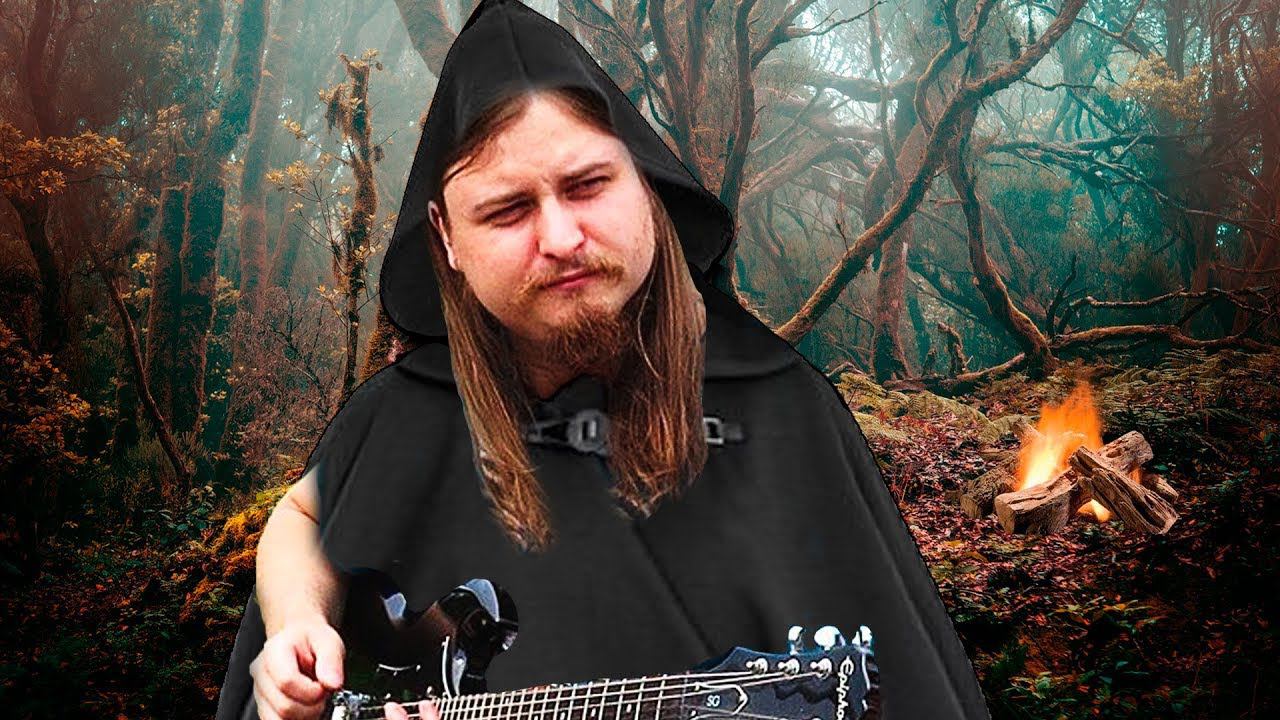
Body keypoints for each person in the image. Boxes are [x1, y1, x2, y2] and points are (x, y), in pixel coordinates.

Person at [214, 1, 992, 719]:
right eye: (508, 210)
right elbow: (304, 516)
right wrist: (296, 623)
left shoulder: (782, 409)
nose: (560, 239)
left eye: (587, 185)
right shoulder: (401, 408)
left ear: (646, 187)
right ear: (446, 237)